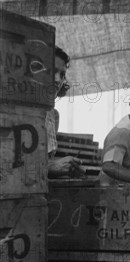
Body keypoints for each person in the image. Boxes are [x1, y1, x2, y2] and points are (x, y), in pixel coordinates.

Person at [47, 46, 85, 178]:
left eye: (62, 74)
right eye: (52, 71)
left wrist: (66, 168)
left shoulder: (53, 115)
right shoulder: (15, 111)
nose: (58, 80)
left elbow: (44, 163)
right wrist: (51, 167)